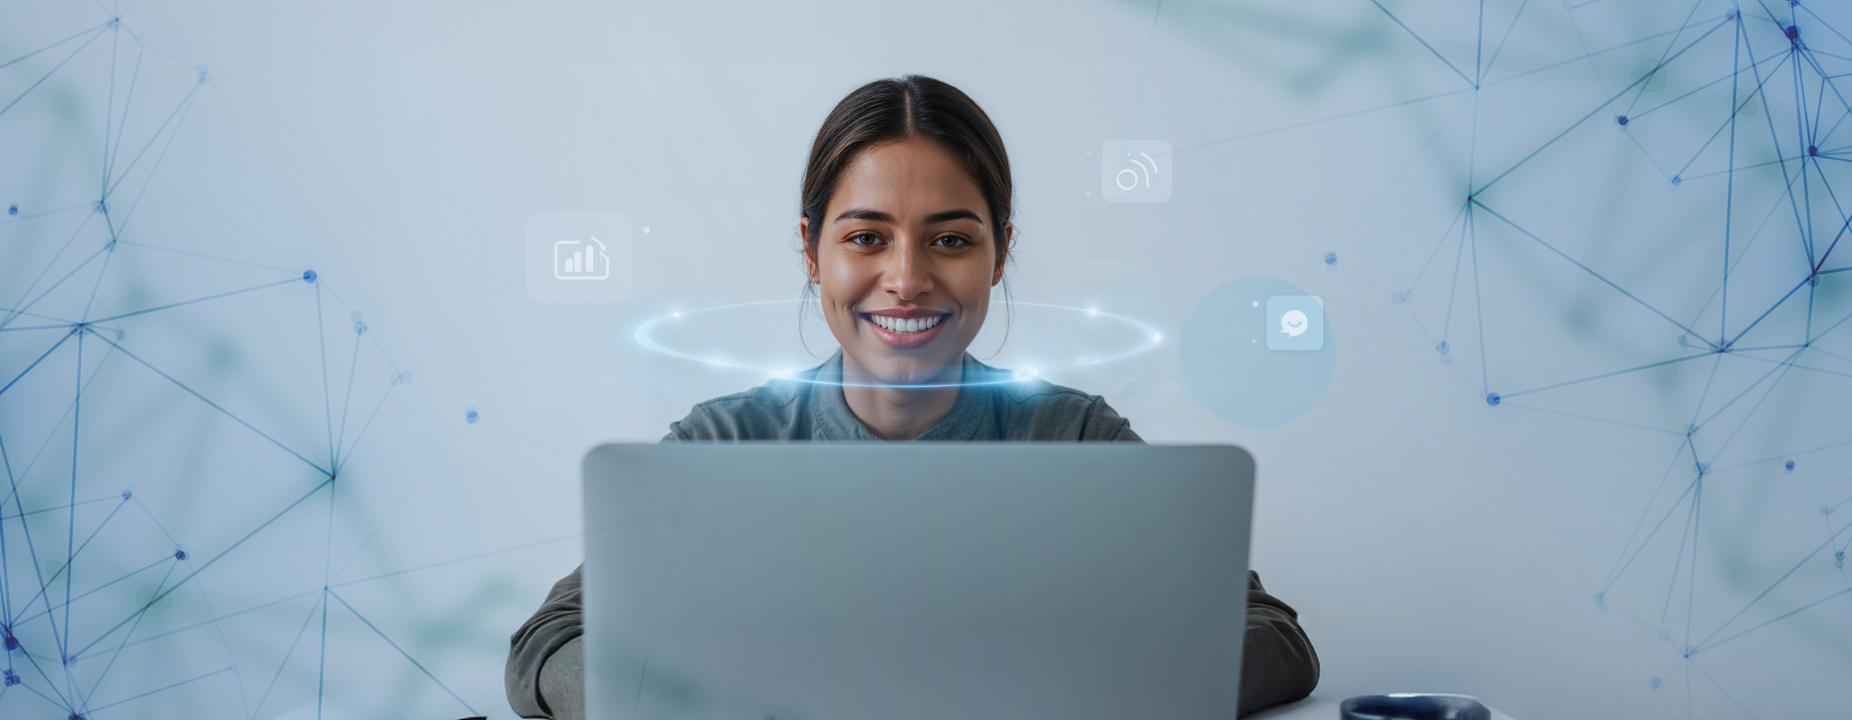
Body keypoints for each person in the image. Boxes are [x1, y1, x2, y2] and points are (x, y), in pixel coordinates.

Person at [506, 75, 1319, 719]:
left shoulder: (1074, 437)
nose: (906, 278)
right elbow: (548, 644)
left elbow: (1274, 637)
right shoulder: (721, 445)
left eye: (951, 239)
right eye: (866, 237)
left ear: (1000, 253)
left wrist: (1074, 688)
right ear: (811, 252)